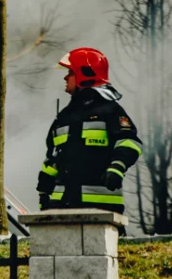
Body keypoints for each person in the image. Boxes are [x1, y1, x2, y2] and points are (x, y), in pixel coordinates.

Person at [36, 48, 143, 216]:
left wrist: (117, 167)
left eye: (70, 73)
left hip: (100, 207)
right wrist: (44, 190)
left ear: (85, 74)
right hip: (61, 206)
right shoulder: (64, 117)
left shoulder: (110, 111)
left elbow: (129, 141)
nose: (65, 78)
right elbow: (53, 157)